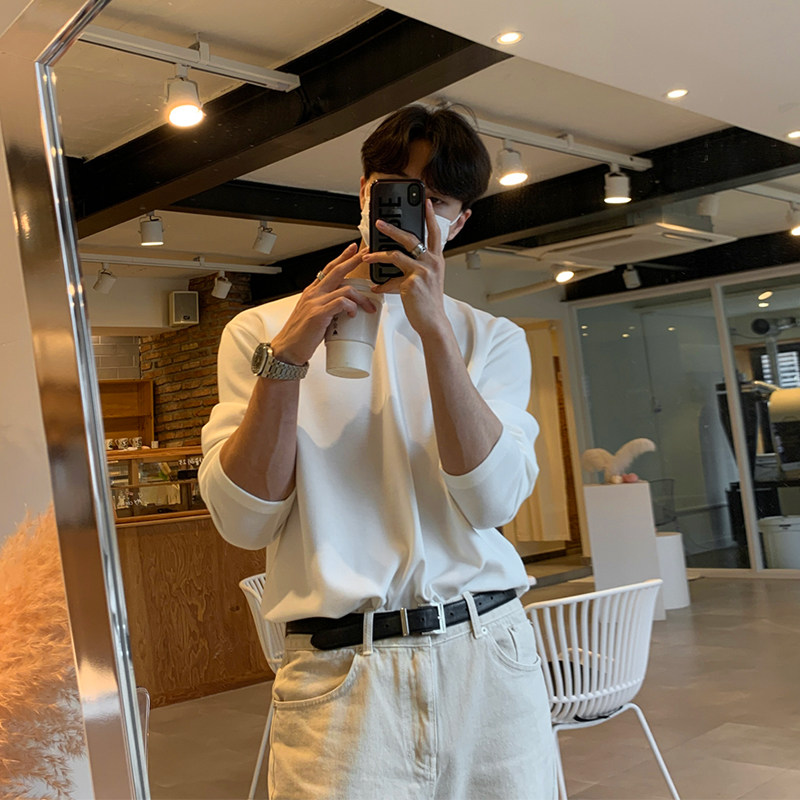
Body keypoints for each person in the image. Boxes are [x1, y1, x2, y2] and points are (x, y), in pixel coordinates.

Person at [198, 105, 556, 800]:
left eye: (437, 200)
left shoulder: (489, 338)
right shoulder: (262, 330)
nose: (413, 213)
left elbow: (494, 501)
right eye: (398, 189)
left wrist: (435, 333)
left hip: (487, 656)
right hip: (340, 675)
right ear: (364, 193)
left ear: (459, 222)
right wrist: (287, 358)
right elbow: (243, 522)